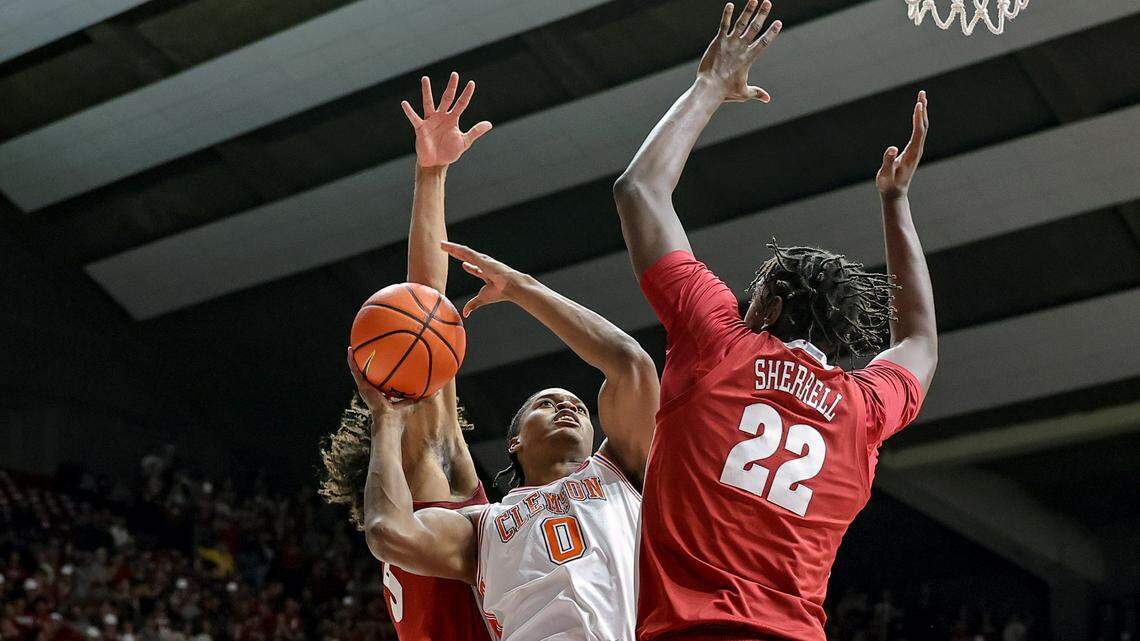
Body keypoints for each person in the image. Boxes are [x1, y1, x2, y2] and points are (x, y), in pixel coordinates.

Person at [611, 2, 938, 639]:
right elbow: (918, 338)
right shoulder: (862, 412)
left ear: (772, 308)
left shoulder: (718, 342)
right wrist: (895, 204)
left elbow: (639, 190)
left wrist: (709, 85)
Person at [349, 240, 658, 641]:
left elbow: (630, 362)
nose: (567, 407)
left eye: (580, 408)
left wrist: (520, 287)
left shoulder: (624, 474)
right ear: (514, 442)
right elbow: (389, 532)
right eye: (547, 404)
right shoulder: (483, 526)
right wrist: (385, 422)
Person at [319, 72, 493, 641]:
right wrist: (431, 174)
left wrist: (433, 171)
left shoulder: (426, 495)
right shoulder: (431, 479)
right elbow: (425, 303)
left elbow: (426, 304)